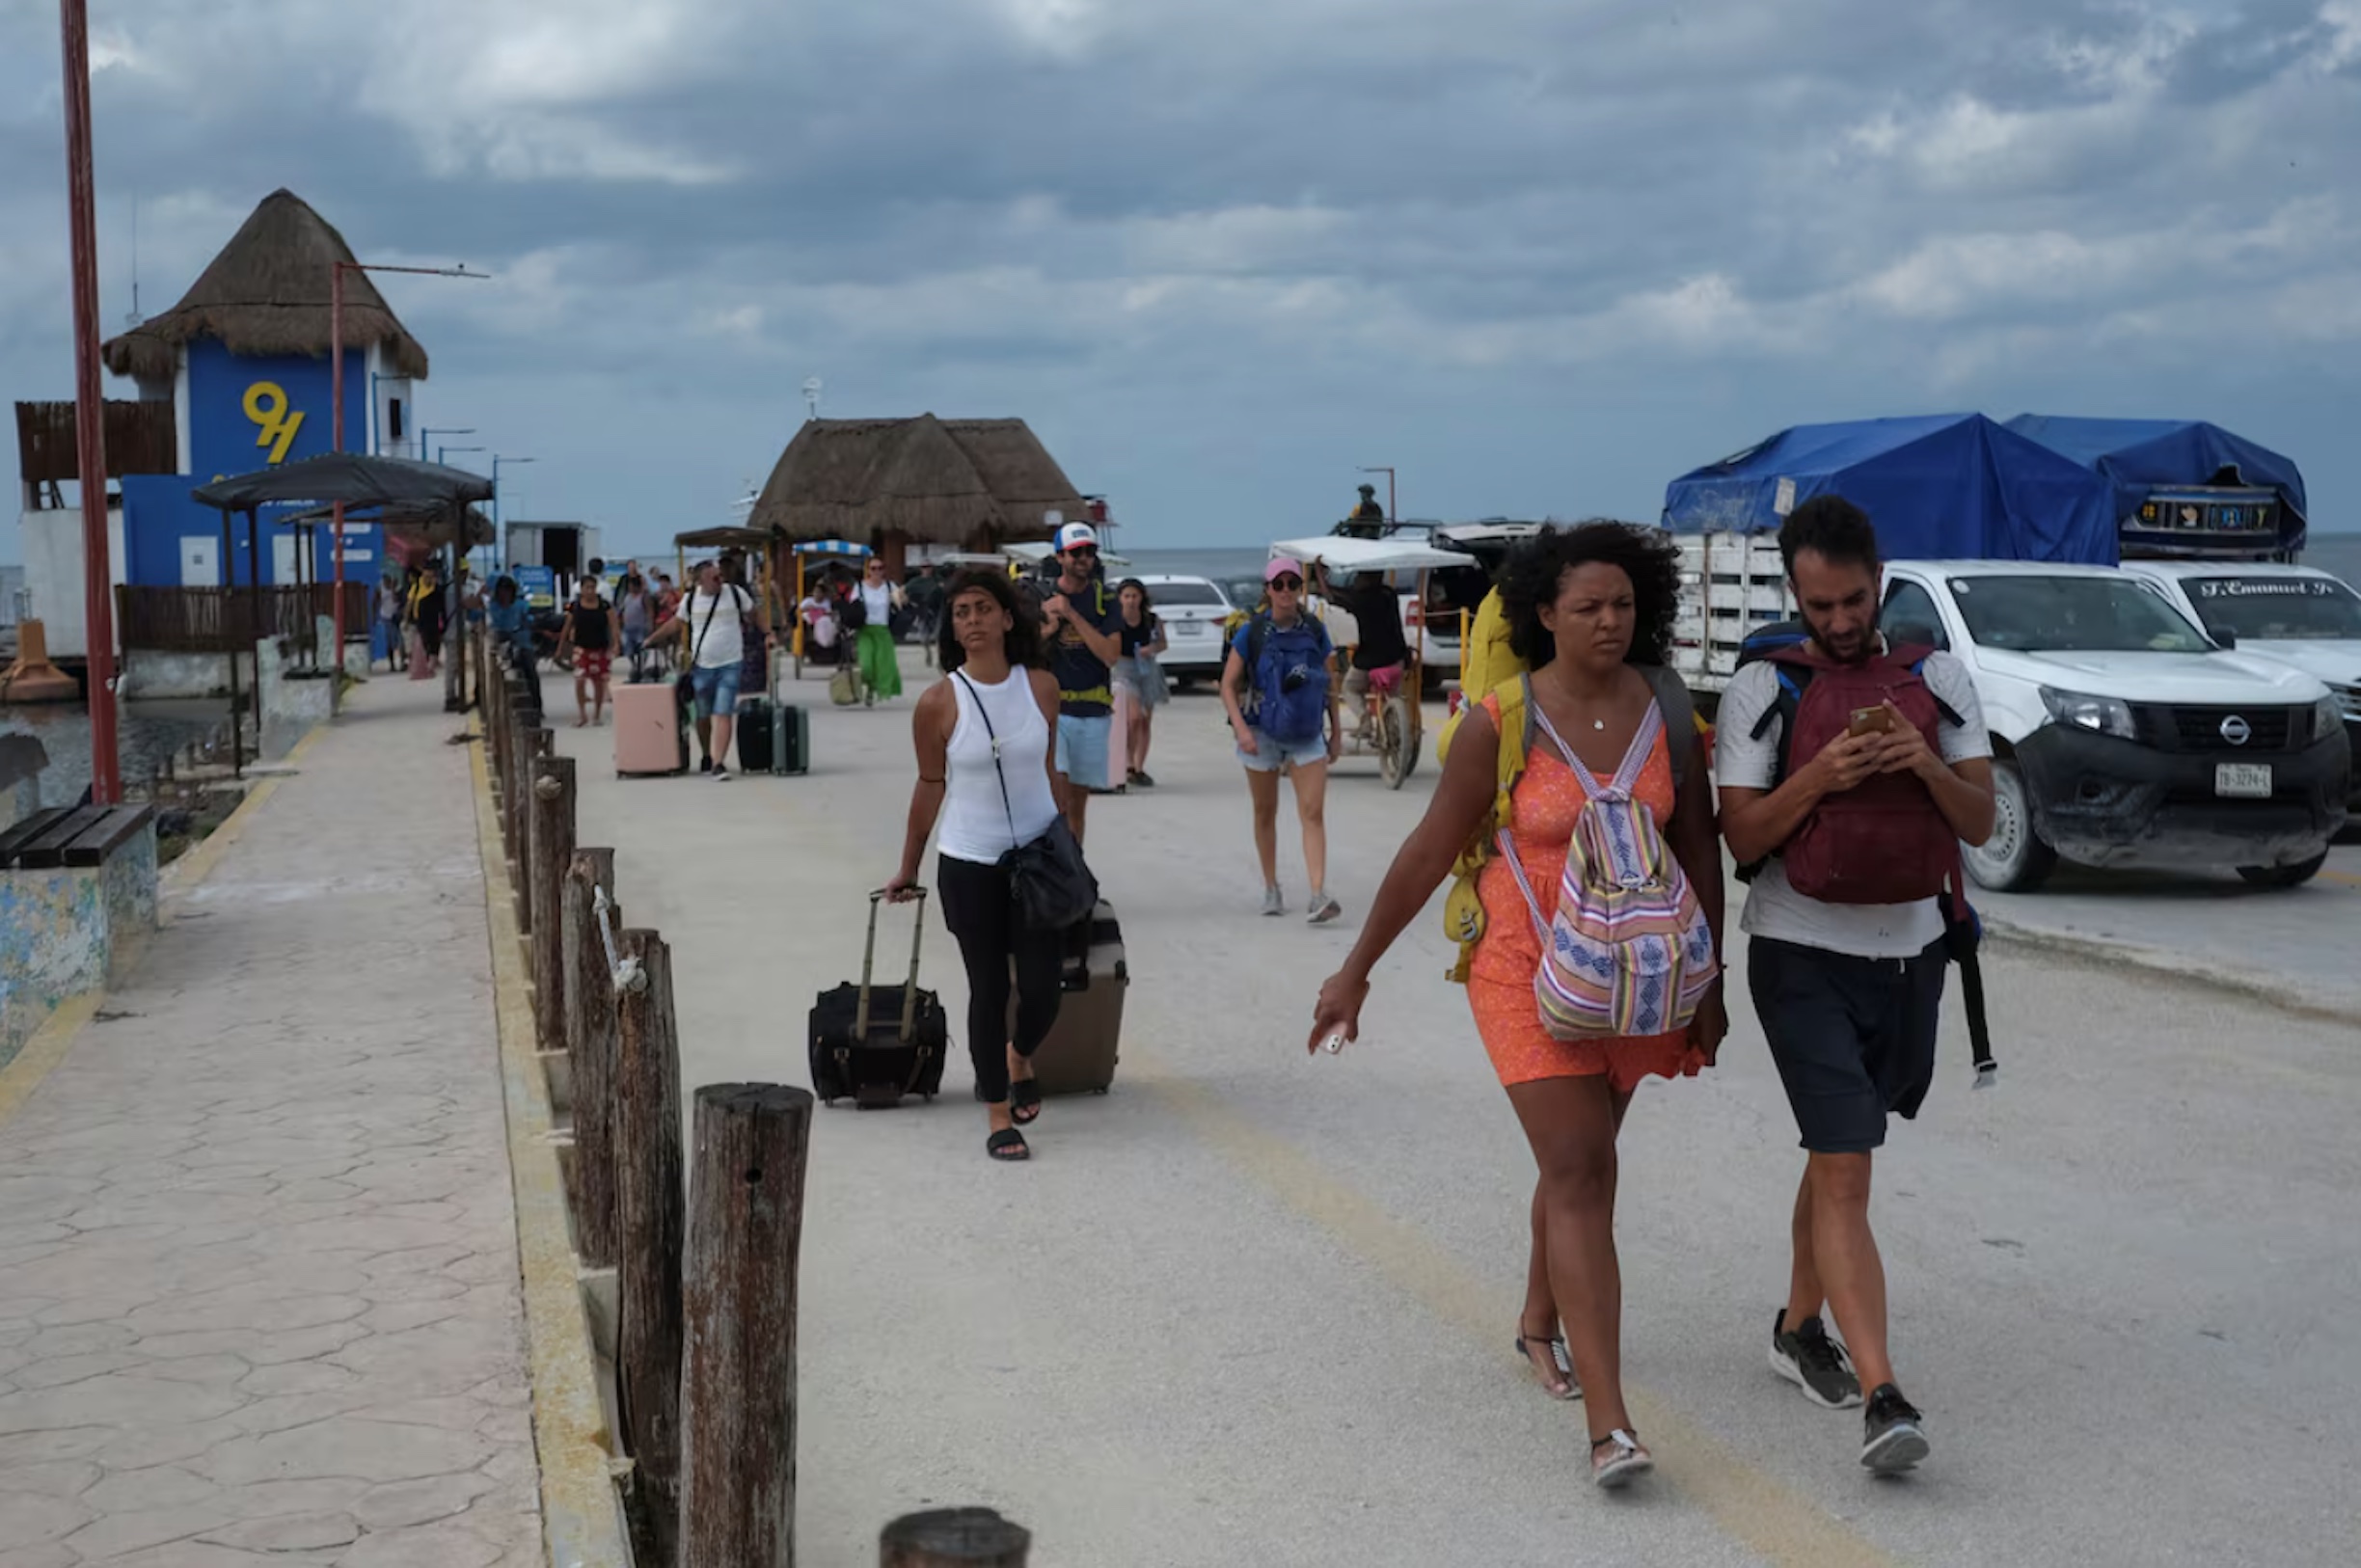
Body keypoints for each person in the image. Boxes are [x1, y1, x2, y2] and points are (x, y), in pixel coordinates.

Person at [1308, 523, 1726, 1488]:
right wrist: (1356, 971)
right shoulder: (1501, 722)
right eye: (1588, 607)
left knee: (1584, 1161)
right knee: (1580, 1164)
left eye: (1623, 604)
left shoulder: (1666, 708)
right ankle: (1612, 1428)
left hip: (1642, 975)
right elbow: (1426, 850)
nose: (1610, 622)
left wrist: (1713, 983)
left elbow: (1699, 843)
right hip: (1525, 972)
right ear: (1545, 614)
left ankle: (1540, 1320)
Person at [1715, 496, 1995, 1475]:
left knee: (1842, 1151)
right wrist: (1825, 772)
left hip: (1911, 956)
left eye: (1853, 599)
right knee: (1846, 1163)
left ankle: (1797, 1326)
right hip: (1799, 953)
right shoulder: (1765, 688)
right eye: (1818, 603)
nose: (1837, 621)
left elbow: (1981, 824)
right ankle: (1885, 1395)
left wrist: (1919, 759)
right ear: (1794, 593)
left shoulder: (1941, 678)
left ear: (1880, 582)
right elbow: (1743, 838)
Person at [884, 570, 1068, 1163]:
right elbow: (929, 785)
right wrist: (907, 868)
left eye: (983, 608)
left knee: (1043, 989)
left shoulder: (1041, 686)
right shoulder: (938, 703)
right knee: (988, 988)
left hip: (1039, 861)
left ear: (1008, 618)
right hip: (969, 864)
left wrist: (1070, 846)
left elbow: (1049, 770)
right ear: (953, 628)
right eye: (961, 612)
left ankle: (1020, 1054)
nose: (972, 620)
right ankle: (996, 1109)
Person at [1222, 556, 1343, 922]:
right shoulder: (1252, 632)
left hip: (1307, 733)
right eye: (1280, 584)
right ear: (1268, 590)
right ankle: (1272, 888)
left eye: (1293, 584)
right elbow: (1227, 684)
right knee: (1265, 812)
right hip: (1262, 732)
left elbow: (1330, 683)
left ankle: (1318, 893)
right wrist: (1241, 730)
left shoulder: (1315, 630)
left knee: (1313, 813)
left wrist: (1336, 731)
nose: (1287, 591)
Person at [1039, 522, 1125, 842]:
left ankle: (1074, 879)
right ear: (1060, 556)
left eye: (1089, 552)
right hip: (1053, 711)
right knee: (1056, 799)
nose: (1083, 559)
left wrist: (1072, 615)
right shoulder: (1041, 596)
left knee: (1077, 805)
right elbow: (1024, 654)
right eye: (1076, 553)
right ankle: (1056, 878)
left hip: (1093, 711)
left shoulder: (1106, 599)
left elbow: (1110, 655)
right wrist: (1047, 629)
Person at [653, 559, 759, 778]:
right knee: (702, 715)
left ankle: (718, 762)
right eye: (714, 577)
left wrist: (769, 634)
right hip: (702, 666)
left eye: (720, 575)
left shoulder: (735, 594)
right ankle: (706, 754)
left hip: (730, 663)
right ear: (701, 580)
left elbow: (754, 613)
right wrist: (651, 639)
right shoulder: (691, 600)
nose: (720, 580)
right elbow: (676, 623)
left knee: (723, 712)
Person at [1317, 562, 1410, 736]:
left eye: (1360, 576)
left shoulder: (1360, 599)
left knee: (1349, 688)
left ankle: (1364, 718)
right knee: (1393, 693)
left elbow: (1330, 595)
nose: (1356, 580)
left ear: (1367, 579)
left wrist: (1320, 574)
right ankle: (1393, 725)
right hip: (1397, 657)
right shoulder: (1390, 594)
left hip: (1370, 660)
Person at [1112, 578, 1168, 787]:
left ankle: (1138, 766)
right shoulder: (1115, 621)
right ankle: (1126, 762)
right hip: (1124, 669)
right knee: (1132, 718)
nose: (1131, 600)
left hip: (1147, 668)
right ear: (1120, 598)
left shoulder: (1151, 619)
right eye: (1126, 596)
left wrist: (1150, 649)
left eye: (1135, 596)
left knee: (1145, 720)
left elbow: (1163, 643)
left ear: (1142, 597)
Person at [556, 578, 614, 727]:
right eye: (587, 588)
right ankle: (582, 715)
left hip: (600, 649)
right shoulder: (574, 607)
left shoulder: (604, 605)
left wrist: (616, 644)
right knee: (580, 681)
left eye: (593, 588)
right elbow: (567, 627)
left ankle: (597, 714)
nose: (590, 591)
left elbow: (614, 626)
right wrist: (561, 647)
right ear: (581, 590)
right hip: (581, 649)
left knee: (598, 683)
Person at [855, 555, 908, 703]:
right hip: (865, 630)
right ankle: (870, 686)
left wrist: (902, 598)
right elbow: (852, 606)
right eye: (873, 568)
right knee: (866, 664)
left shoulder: (890, 587)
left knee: (884, 663)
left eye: (880, 568)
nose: (877, 571)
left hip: (883, 630)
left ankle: (878, 691)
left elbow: (901, 603)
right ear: (868, 571)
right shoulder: (860, 587)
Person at [406, 561, 446, 679]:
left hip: (434, 621)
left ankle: (430, 668)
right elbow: (410, 603)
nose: (429, 576)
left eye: (431, 574)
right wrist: (407, 619)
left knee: (434, 645)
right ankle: (424, 668)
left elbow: (442, 606)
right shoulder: (417, 586)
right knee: (424, 644)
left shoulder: (438, 589)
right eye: (426, 574)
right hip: (421, 622)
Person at [617, 572, 655, 683]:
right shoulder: (627, 597)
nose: (629, 587)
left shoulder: (644, 597)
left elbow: (649, 612)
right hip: (628, 628)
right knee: (629, 651)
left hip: (640, 628)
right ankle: (634, 666)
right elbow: (622, 610)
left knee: (642, 650)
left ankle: (641, 668)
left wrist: (650, 625)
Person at [375, 572, 408, 671]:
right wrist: (374, 615)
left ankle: (402, 662)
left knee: (401, 640)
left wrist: (393, 589)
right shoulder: (379, 587)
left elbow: (396, 600)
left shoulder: (398, 586)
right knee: (389, 641)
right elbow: (375, 600)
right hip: (386, 616)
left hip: (397, 616)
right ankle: (392, 664)